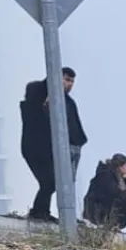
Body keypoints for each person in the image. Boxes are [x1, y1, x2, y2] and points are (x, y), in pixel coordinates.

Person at [20, 79, 56, 222]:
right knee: (49, 183)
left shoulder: (32, 108)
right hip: (36, 150)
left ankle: (42, 211)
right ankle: (39, 212)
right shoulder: (33, 108)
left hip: (37, 150)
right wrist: (55, 76)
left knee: (48, 183)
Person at [82, 154, 126, 231]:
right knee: (119, 201)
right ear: (120, 166)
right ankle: (109, 225)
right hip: (96, 208)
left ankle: (114, 226)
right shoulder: (106, 174)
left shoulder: (120, 178)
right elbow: (112, 194)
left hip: (107, 207)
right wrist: (125, 196)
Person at [61, 67, 87, 185]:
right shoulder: (55, 100)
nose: (70, 84)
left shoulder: (69, 101)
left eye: (72, 81)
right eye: (67, 80)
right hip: (66, 146)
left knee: (70, 181)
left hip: (75, 145)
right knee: (65, 181)